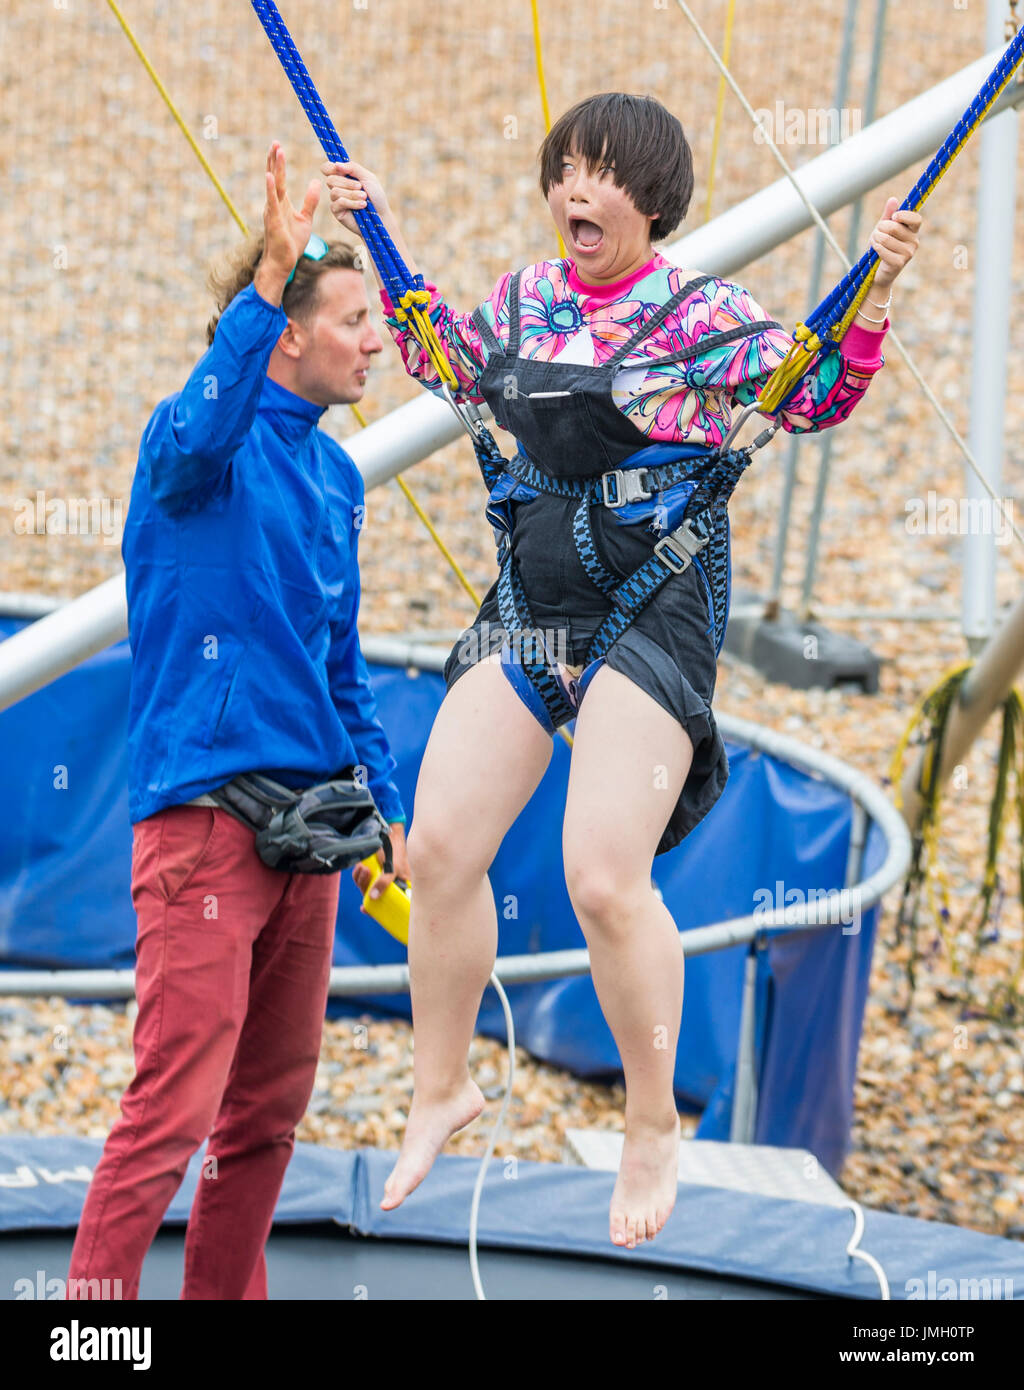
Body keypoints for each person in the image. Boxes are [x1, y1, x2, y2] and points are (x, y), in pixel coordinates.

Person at [323, 91, 922, 1250]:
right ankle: (438, 1086)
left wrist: (876, 289)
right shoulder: (523, 300)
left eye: (600, 175)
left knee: (602, 876)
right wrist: (379, 226)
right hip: (539, 603)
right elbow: (440, 355)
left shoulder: (703, 319)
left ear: (650, 202)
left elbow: (815, 394)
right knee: (438, 847)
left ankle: (652, 1122)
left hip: (655, 605)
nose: (573, 192)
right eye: (564, 171)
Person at [68, 143, 410, 1300]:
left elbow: (338, 661)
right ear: (288, 332)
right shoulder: (191, 449)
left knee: (265, 1117)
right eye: (355, 319)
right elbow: (212, 416)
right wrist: (267, 273)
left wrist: (387, 804)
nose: (376, 339)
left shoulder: (336, 479)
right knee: (170, 1113)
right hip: (206, 834)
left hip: (307, 837)